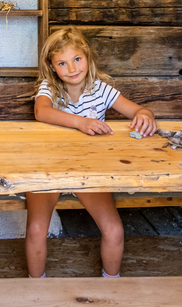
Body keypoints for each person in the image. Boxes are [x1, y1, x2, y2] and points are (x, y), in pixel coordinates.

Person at [27, 26, 156, 279]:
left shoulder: (100, 90)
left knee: (114, 230)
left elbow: (139, 111)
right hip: (48, 169)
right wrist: (81, 122)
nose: (72, 68)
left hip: (89, 172)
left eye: (77, 59)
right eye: (62, 63)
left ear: (87, 56)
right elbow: (41, 111)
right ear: (52, 67)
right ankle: (36, 288)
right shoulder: (49, 87)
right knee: (35, 230)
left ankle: (111, 284)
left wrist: (145, 116)